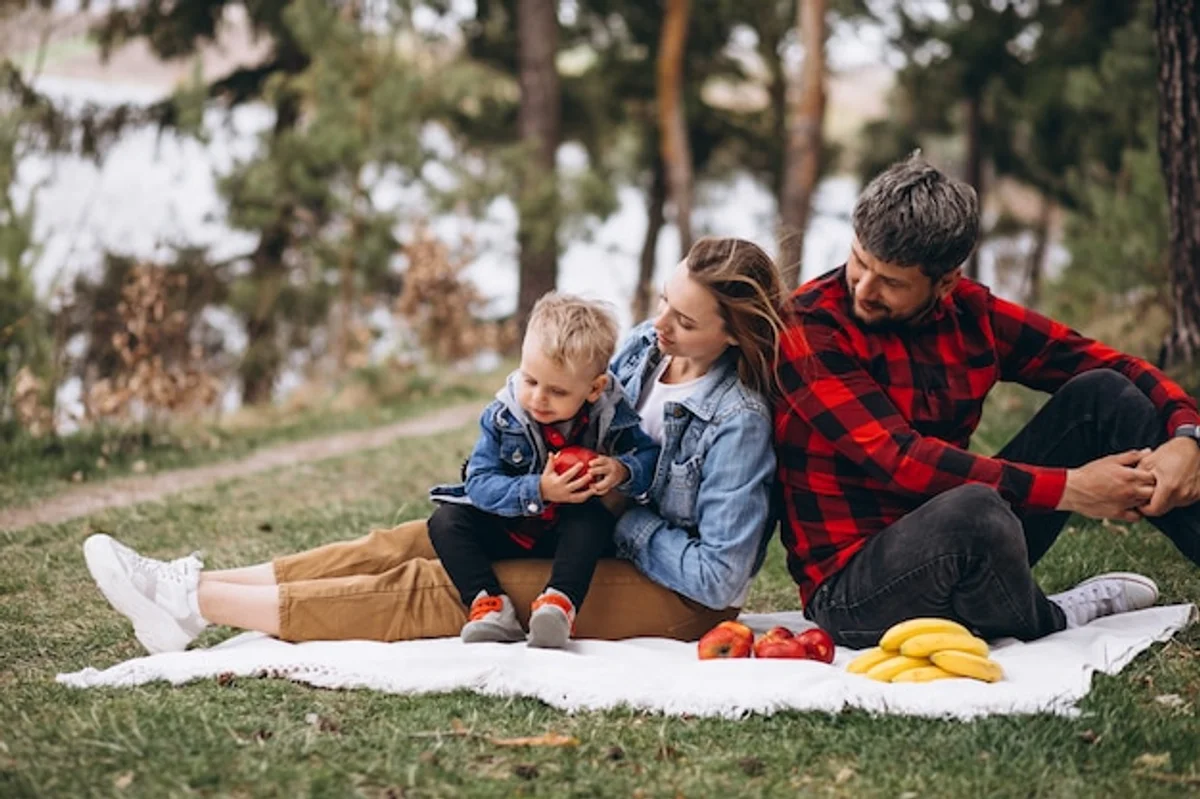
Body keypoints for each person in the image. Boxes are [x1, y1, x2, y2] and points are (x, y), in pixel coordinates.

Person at [82, 236, 784, 653]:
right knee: (405, 542)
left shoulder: (739, 419)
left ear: (734, 332)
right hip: (573, 524)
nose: (659, 324)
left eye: (684, 320)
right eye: (663, 301)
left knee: (435, 589)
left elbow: (721, 578)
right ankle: (192, 589)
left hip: (673, 592)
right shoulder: (642, 350)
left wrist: (616, 506)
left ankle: (199, 604)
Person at [775, 155, 1200, 649]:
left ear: (946, 282)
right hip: (853, 590)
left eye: (891, 282)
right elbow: (900, 459)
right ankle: (1053, 617)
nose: (864, 289)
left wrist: (1186, 436)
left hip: (967, 539)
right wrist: (1072, 488)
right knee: (974, 508)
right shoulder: (808, 327)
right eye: (859, 261)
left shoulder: (972, 314)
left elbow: (1111, 363)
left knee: (1102, 394)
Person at [425, 292, 659, 648]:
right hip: (508, 524)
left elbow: (649, 457)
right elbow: (479, 483)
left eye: (557, 391)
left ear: (595, 388)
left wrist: (622, 470)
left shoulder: (613, 417)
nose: (538, 398)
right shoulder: (503, 417)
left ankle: (559, 605)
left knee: (593, 520)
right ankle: (490, 606)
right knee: (445, 522)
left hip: (565, 536)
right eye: (530, 381)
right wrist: (540, 490)